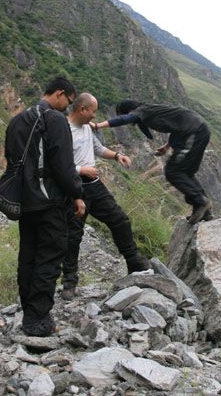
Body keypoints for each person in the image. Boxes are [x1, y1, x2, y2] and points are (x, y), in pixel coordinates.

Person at [4, 77, 85, 337]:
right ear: (60, 93)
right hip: (49, 200)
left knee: (28, 255)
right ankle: (38, 320)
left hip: (24, 200)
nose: (66, 107)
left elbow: (11, 159)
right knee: (50, 256)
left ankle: (30, 310)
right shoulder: (54, 119)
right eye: (68, 101)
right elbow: (63, 165)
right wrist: (77, 194)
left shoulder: (18, 119)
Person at [61, 93, 151, 301]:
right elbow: (57, 163)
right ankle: (69, 281)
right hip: (73, 189)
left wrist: (117, 156)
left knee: (119, 220)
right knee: (73, 236)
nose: (94, 116)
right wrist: (81, 169)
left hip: (95, 186)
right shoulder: (63, 130)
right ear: (82, 109)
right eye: (92, 111)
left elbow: (97, 149)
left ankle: (135, 263)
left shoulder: (86, 129)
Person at [92, 100, 213, 224]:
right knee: (185, 172)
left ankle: (200, 202)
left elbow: (124, 119)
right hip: (197, 130)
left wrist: (97, 126)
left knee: (173, 171)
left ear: (129, 111)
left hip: (193, 132)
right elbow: (176, 125)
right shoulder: (149, 109)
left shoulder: (141, 111)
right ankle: (205, 212)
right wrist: (166, 147)